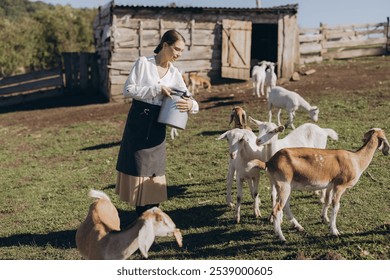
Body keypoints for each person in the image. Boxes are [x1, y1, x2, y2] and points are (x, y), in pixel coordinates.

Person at [115, 29, 199, 216]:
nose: (178, 54)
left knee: (155, 172)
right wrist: (156, 89)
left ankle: (151, 217)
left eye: (181, 51)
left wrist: (191, 104)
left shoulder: (175, 73)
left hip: (158, 126)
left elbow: (190, 99)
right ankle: (142, 218)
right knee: (139, 170)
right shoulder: (143, 63)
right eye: (176, 49)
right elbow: (128, 90)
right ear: (165, 45)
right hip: (138, 122)